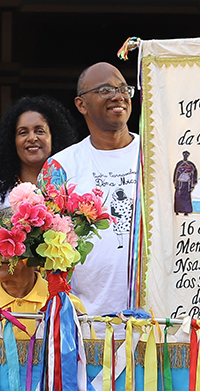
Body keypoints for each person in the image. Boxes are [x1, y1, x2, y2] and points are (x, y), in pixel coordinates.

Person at [44, 62, 138, 316]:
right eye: (106, 90)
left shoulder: (156, 155)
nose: (118, 96)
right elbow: (45, 250)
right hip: (87, 322)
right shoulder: (60, 167)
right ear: (81, 104)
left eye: (123, 89)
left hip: (157, 322)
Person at [0, 96, 79, 291]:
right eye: (23, 132)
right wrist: (23, 267)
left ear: (54, 137)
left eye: (40, 131)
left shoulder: (70, 192)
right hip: (2, 305)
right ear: (12, 142)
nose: (32, 137)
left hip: (58, 300)